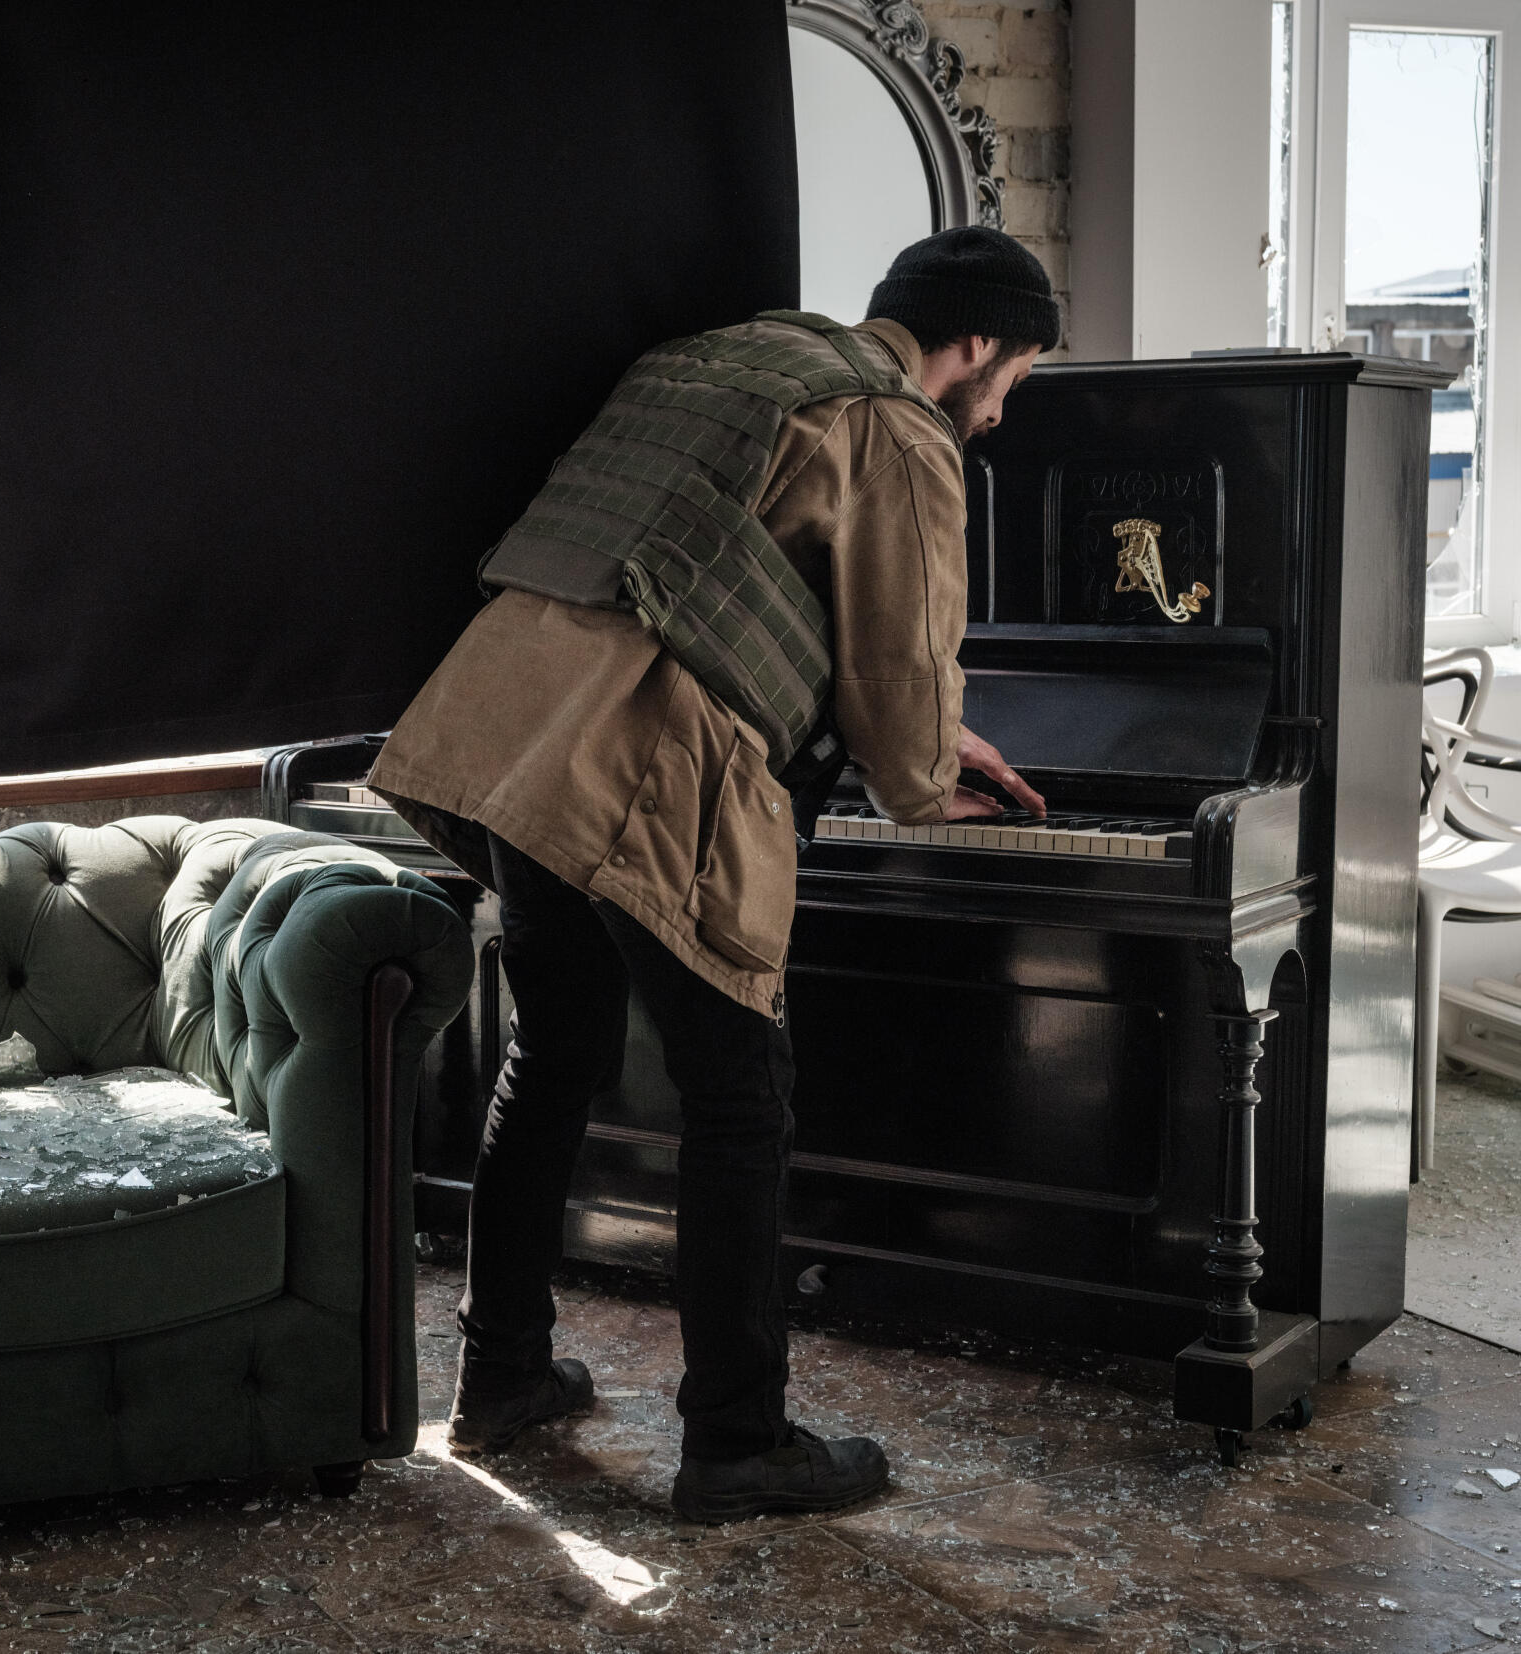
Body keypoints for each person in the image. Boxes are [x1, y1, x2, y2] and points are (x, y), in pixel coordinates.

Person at [368, 226, 1059, 1524]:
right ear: (969, 345)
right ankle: (739, 1439)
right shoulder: (900, 428)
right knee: (741, 1094)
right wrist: (925, 765)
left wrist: (903, 726)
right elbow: (906, 719)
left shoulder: (734, 354)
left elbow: (708, 560)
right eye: (1012, 375)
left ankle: (501, 1373)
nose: (1003, 407)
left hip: (520, 709)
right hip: (647, 747)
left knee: (553, 1046)